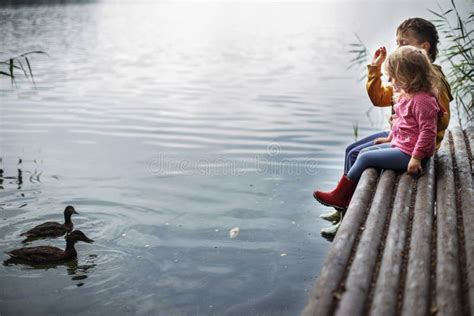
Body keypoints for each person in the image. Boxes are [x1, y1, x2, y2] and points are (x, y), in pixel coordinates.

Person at [317, 17, 453, 228]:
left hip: (415, 144)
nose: (396, 48)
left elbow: (437, 121)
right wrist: (375, 68)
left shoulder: (428, 82)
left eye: (403, 43)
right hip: (402, 135)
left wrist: (413, 135)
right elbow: (380, 97)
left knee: (359, 155)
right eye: (397, 42)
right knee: (351, 150)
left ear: (424, 48)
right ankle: (343, 209)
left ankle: (346, 206)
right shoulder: (409, 77)